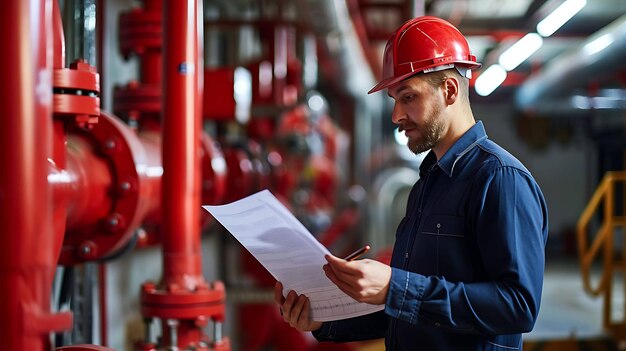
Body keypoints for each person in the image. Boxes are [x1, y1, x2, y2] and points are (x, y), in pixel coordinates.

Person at [274, 15, 548, 350]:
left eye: (408, 97)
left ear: (449, 90)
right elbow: (408, 311)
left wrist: (396, 287)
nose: (396, 116)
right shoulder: (425, 186)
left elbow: (518, 305)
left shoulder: (500, 179)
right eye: (394, 100)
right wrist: (323, 321)